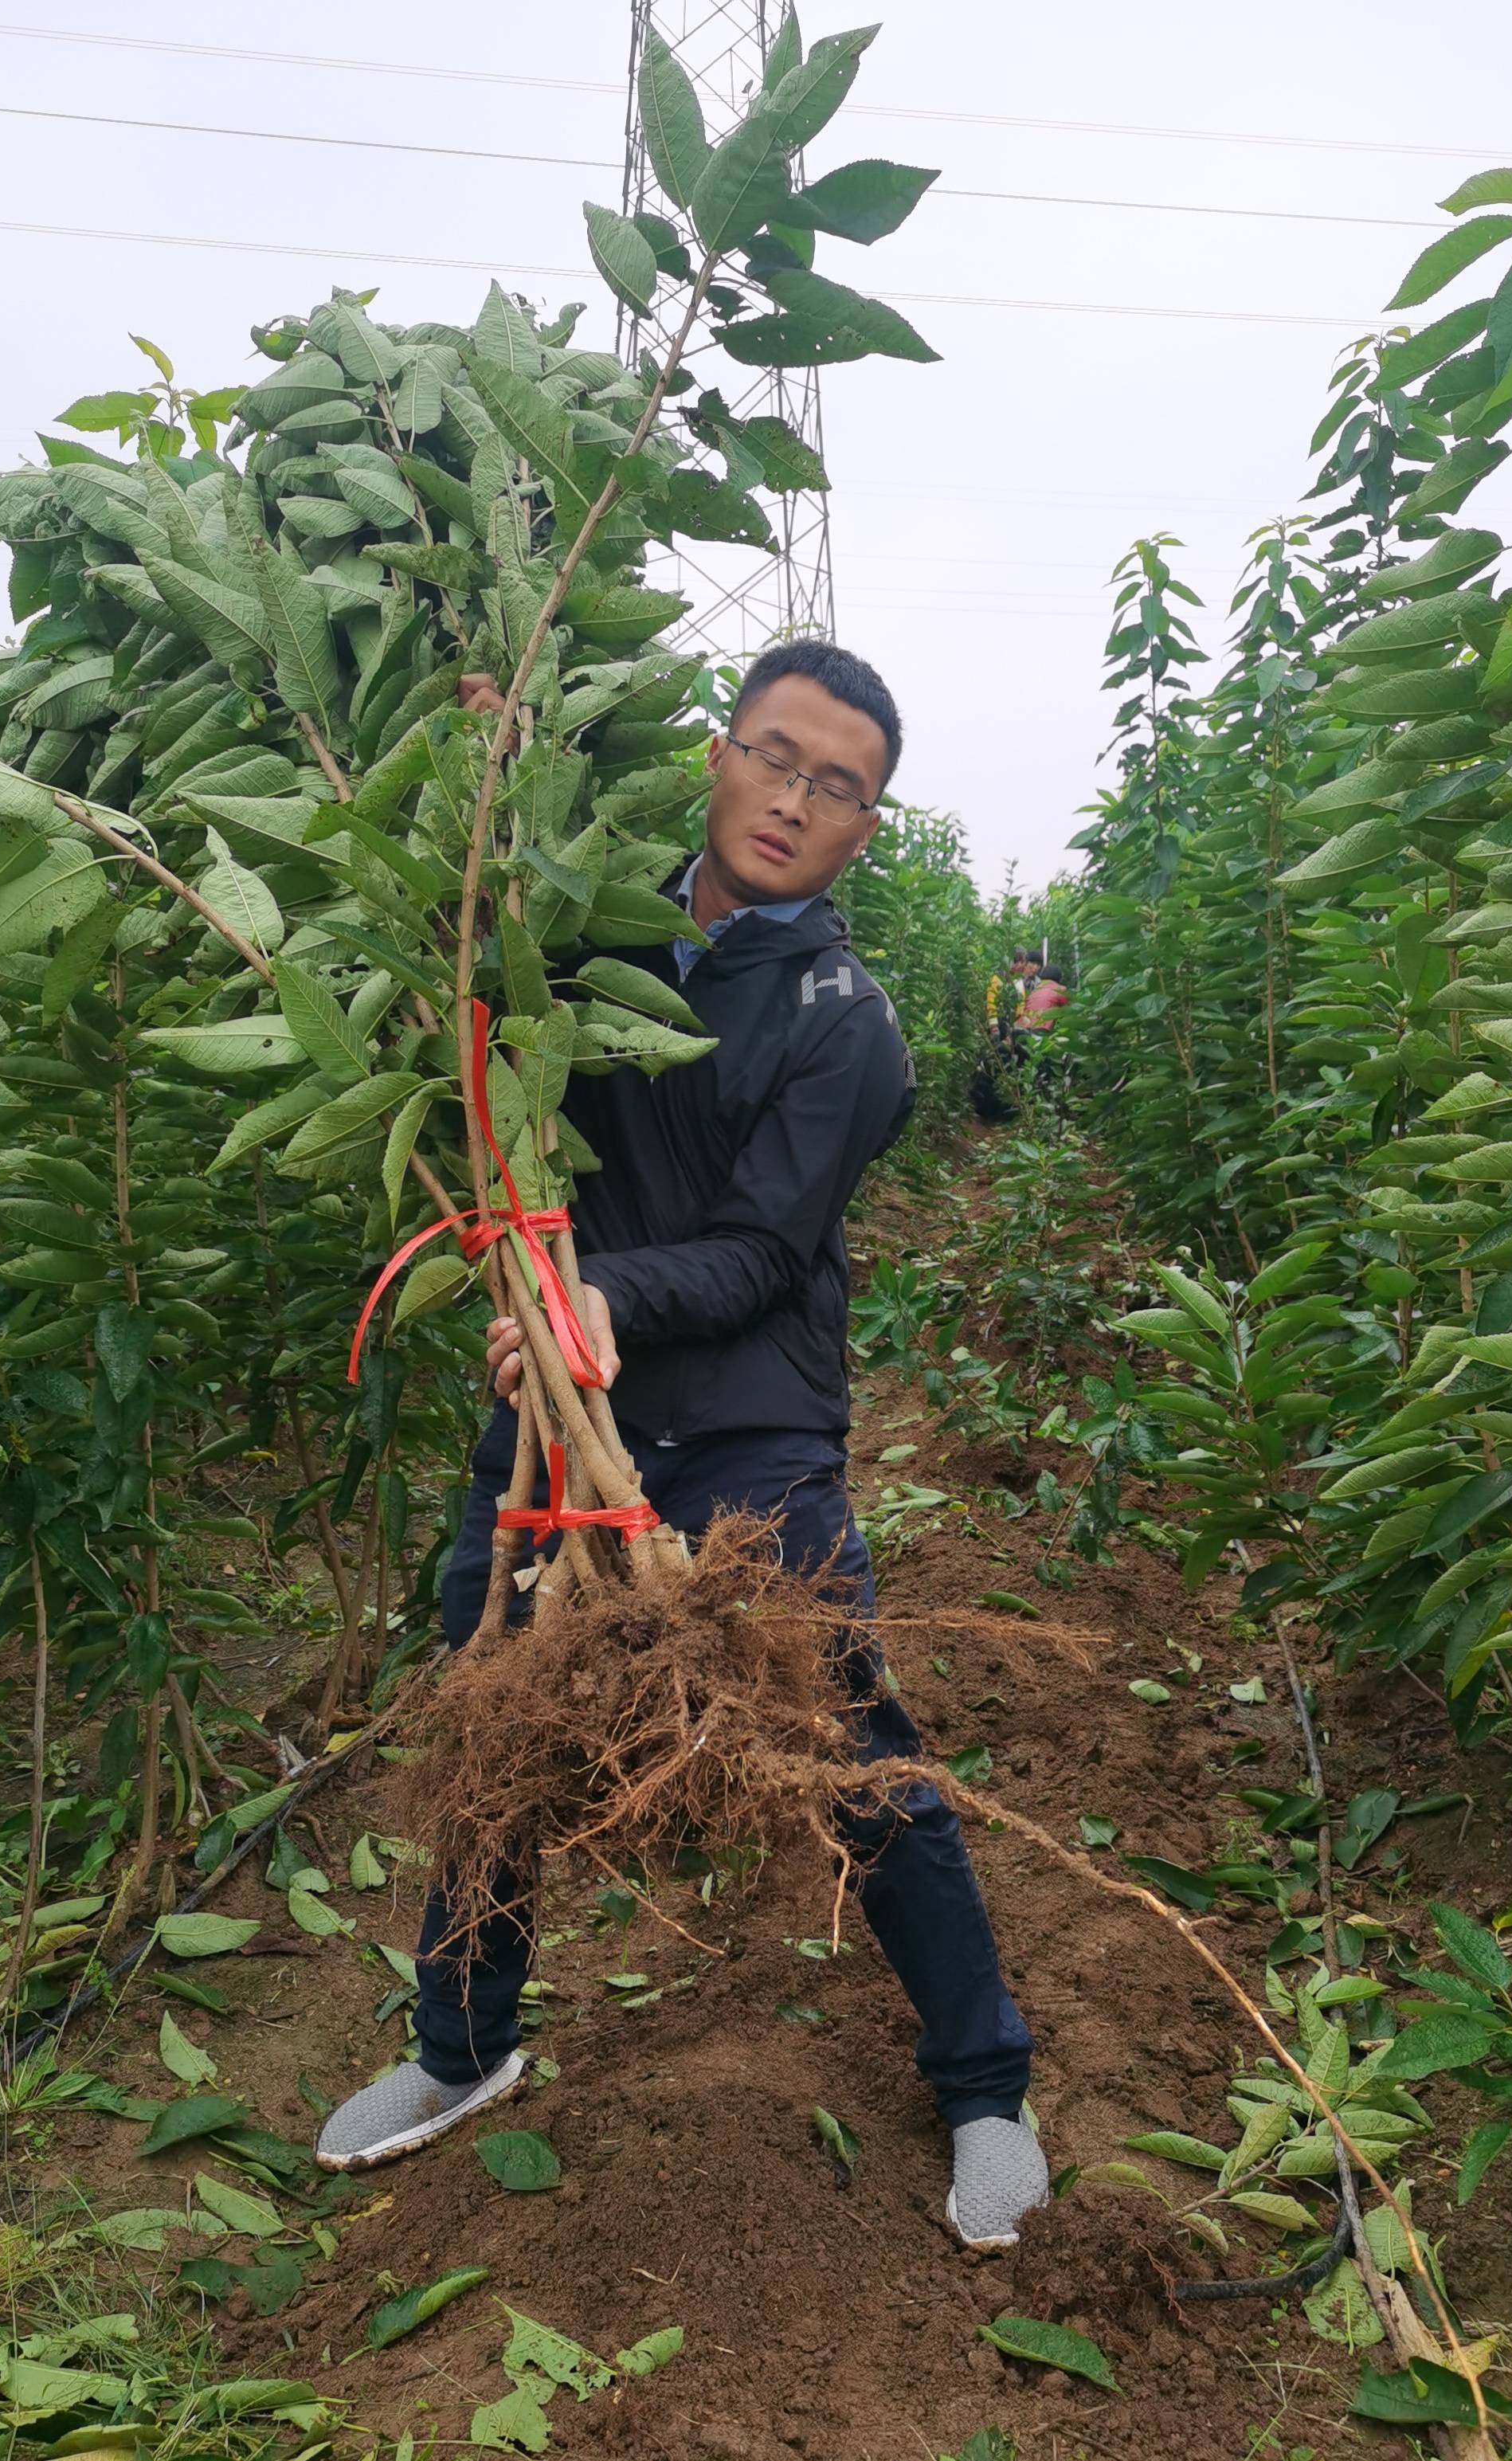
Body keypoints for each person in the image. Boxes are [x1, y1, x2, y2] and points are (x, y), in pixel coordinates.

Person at [315, 640, 1048, 2248]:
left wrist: (593, 1294)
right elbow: (490, 1053)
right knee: (495, 1707)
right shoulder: (584, 929)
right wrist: (481, 800)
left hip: (745, 1425)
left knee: (851, 1738)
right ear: (716, 756)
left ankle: (987, 2085)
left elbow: (766, 1249)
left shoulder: (841, 1020)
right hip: (559, 1410)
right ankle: (460, 2047)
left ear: (868, 828)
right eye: (776, 758)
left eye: (838, 787)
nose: (795, 801)